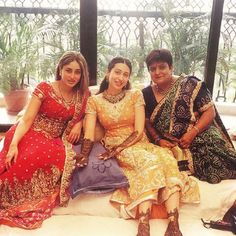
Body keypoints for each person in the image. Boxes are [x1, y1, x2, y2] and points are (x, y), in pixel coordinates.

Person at [76, 57, 199, 236]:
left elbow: (139, 130)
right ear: (107, 72)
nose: (121, 77)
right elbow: (88, 133)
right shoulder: (95, 101)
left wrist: (118, 149)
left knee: (167, 159)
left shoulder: (135, 95)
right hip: (114, 143)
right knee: (150, 163)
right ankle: (143, 224)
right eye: (117, 72)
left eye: (126, 74)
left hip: (137, 141)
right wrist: (85, 154)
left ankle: (174, 223)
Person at [0, 51, 90, 229]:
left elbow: (89, 113)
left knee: (57, 159)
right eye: (68, 70)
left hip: (55, 139)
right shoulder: (45, 88)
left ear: (82, 74)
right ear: (60, 69)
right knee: (23, 159)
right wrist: (14, 145)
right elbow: (26, 119)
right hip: (30, 132)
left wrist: (79, 123)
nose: (72, 76)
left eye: (77, 72)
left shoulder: (83, 94)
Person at [142, 48, 236, 184]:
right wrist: (157, 139)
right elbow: (146, 121)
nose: (157, 72)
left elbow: (210, 112)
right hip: (168, 141)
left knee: (219, 160)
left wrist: (192, 133)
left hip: (199, 132)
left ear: (171, 67)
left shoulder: (190, 84)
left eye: (162, 67)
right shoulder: (146, 93)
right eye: (152, 69)